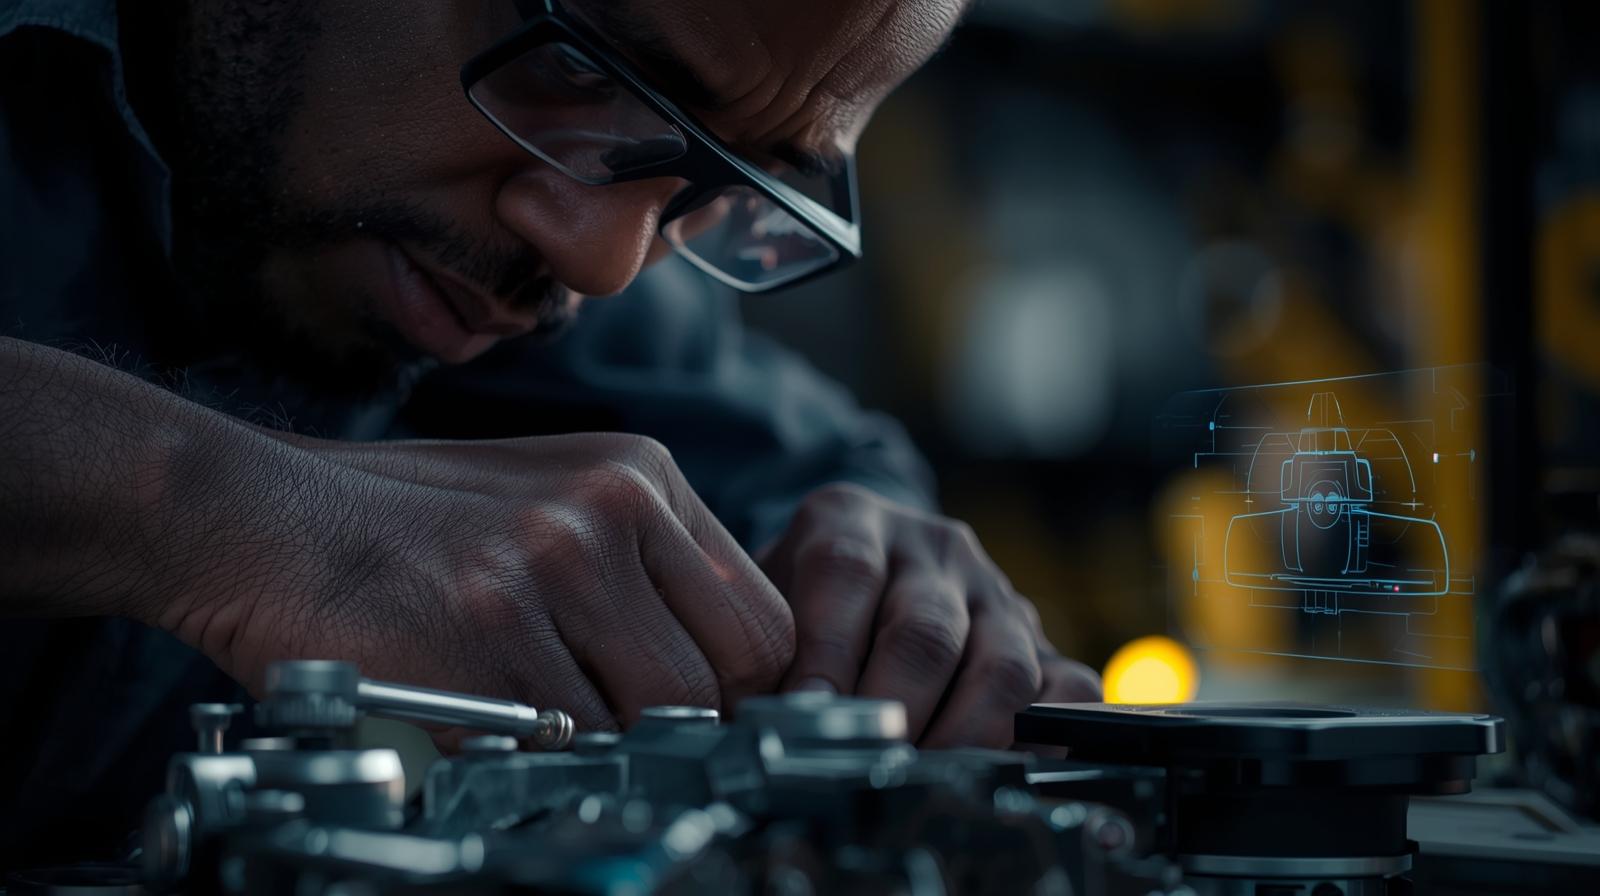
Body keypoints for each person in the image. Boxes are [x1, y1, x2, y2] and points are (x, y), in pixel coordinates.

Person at [0, 0, 1099, 861]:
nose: (600, 264)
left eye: (726, 182)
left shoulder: (518, 214)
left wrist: (887, 573)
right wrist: (201, 503)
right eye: (580, 66)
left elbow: (819, 470)